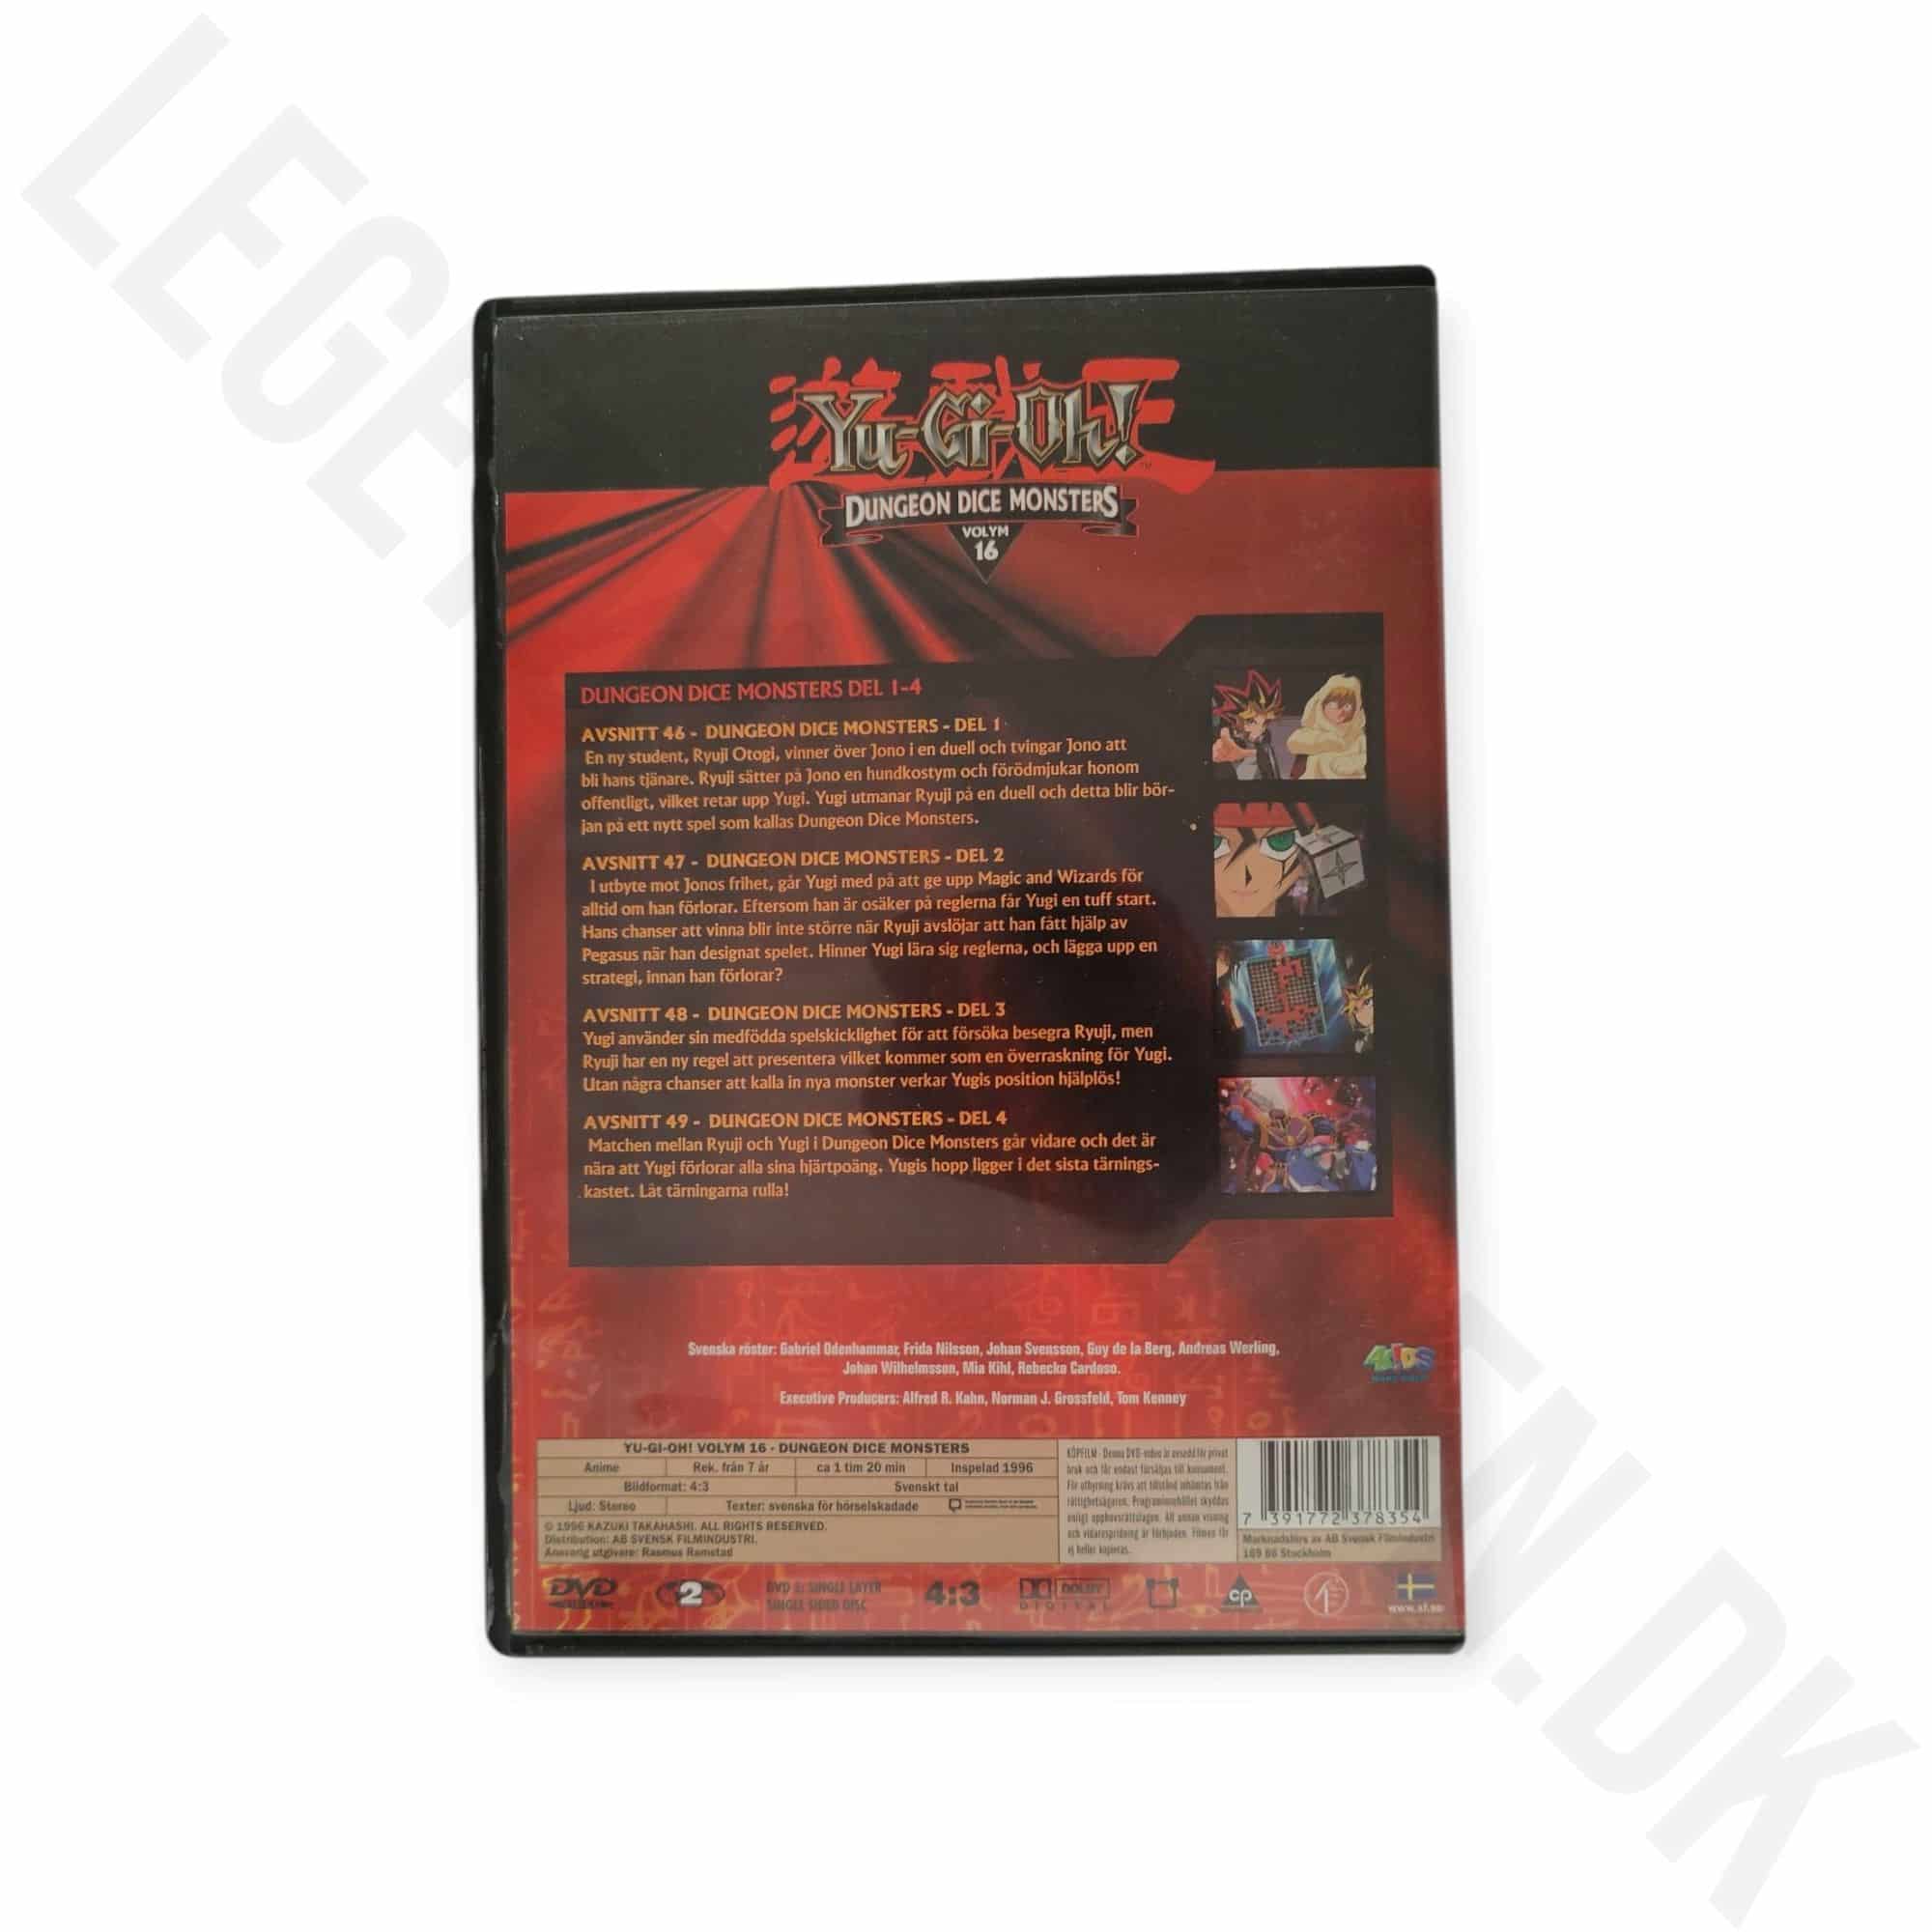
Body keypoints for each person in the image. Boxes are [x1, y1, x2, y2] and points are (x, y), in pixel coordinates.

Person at [1285, 673, 1368, 780]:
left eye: (1347, 706)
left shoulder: (1358, 737)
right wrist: (1327, 740)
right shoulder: (1313, 731)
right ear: (1321, 705)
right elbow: (1293, 742)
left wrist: (1350, 763)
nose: (1340, 711)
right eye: (1333, 705)